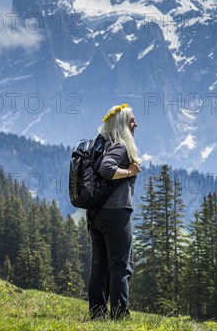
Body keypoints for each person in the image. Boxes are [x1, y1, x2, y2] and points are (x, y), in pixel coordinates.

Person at [87, 103, 141, 320]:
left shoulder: (102, 145)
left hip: (96, 213)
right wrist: (129, 171)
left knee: (100, 265)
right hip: (116, 213)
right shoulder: (119, 146)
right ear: (122, 124)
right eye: (132, 121)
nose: (136, 124)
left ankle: (97, 314)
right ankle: (120, 316)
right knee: (121, 265)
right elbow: (106, 169)